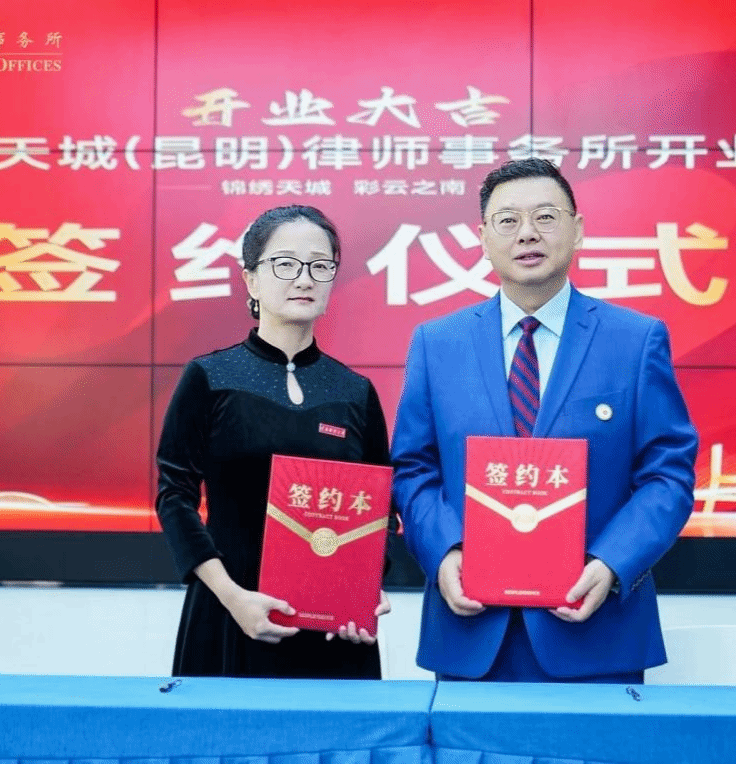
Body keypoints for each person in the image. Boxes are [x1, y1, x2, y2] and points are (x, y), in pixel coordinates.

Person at [391, 158, 698, 682]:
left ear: (577, 230)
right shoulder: (437, 344)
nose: (527, 233)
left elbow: (668, 474)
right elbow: (413, 469)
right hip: (471, 632)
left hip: (595, 630)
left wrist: (612, 563)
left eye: (545, 217)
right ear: (483, 238)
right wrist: (443, 552)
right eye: (507, 220)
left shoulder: (635, 340)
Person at [156, 205, 391, 679]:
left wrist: (364, 588)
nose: (304, 279)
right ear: (251, 279)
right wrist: (232, 597)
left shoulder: (355, 392)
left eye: (320, 266)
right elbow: (174, 498)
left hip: (332, 629)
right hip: (231, 612)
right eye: (285, 264)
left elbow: (379, 511)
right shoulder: (209, 377)